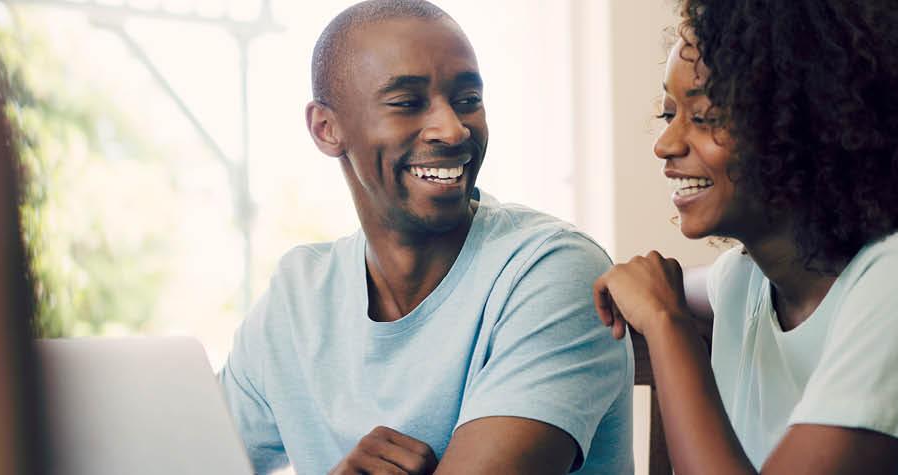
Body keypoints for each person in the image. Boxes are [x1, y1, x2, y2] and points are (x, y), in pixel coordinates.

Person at [593, 0, 898, 473]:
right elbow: (665, 285)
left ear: (808, 121)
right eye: (668, 115)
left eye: (704, 117)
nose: (666, 144)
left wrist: (665, 322)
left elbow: (663, 301)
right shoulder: (749, 281)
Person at [217, 1, 632, 473]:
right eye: (407, 103)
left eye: (468, 100)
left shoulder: (553, 270)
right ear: (326, 128)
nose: (453, 130)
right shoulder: (296, 298)